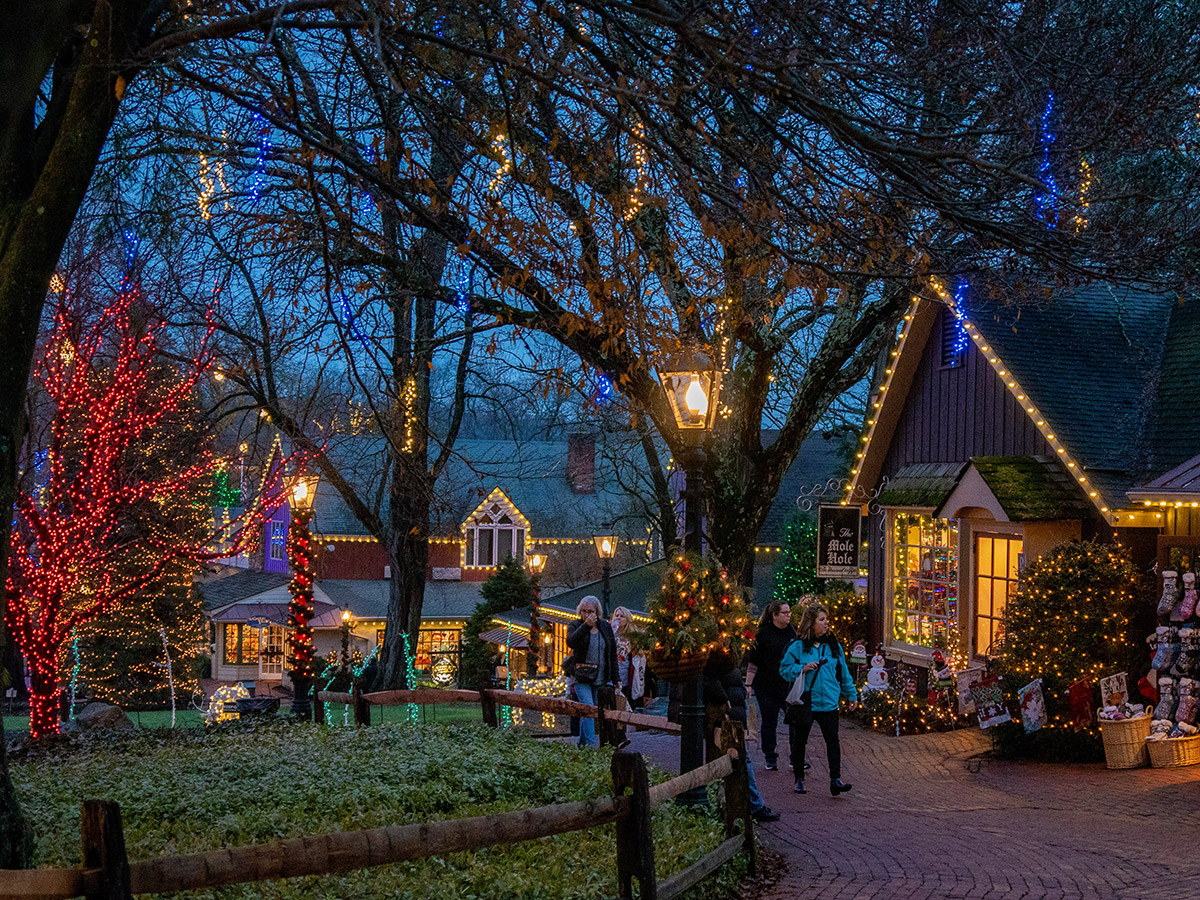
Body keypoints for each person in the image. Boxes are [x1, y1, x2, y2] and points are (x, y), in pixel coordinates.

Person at [779, 603, 857, 796]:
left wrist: (851, 694)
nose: (826, 624)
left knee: (833, 741)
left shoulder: (834, 647)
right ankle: (799, 778)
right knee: (800, 741)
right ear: (811, 623)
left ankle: (835, 780)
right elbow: (784, 670)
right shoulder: (798, 647)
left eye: (826, 620)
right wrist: (801, 669)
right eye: (821, 620)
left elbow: (843, 673)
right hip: (807, 701)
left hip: (829, 701)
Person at [703, 641, 780, 822]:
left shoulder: (724, 648)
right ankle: (753, 804)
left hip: (733, 706)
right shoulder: (715, 649)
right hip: (728, 710)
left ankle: (747, 802)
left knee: (737, 757)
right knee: (740, 757)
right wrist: (725, 703)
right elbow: (710, 678)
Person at [744, 600, 797, 770]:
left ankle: (796, 757)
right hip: (766, 685)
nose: (788, 615)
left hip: (787, 685)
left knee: (795, 720)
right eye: (785, 612)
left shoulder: (793, 632)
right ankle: (770, 757)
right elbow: (754, 662)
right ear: (774, 615)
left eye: (789, 612)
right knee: (769, 721)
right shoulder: (762, 635)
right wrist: (748, 685)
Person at [566, 595, 618, 748]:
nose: (586, 614)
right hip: (582, 677)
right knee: (588, 709)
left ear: (597, 612)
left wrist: (616, 678)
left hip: (601, 677)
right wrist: (585, 626)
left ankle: (582, 744)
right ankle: (589, 746)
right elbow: (571, 642)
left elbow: (612, 654)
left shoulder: (605, 627)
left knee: (591, 711)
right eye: (583, 611)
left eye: (590, 611)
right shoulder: (575, 625)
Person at [611, 606, 647, 709]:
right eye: (616, 615)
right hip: (612, 675)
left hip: (626, 676)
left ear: (627, 619)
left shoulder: (632, 637)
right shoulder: (610, 633)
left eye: (622, 616)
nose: (618, 618)